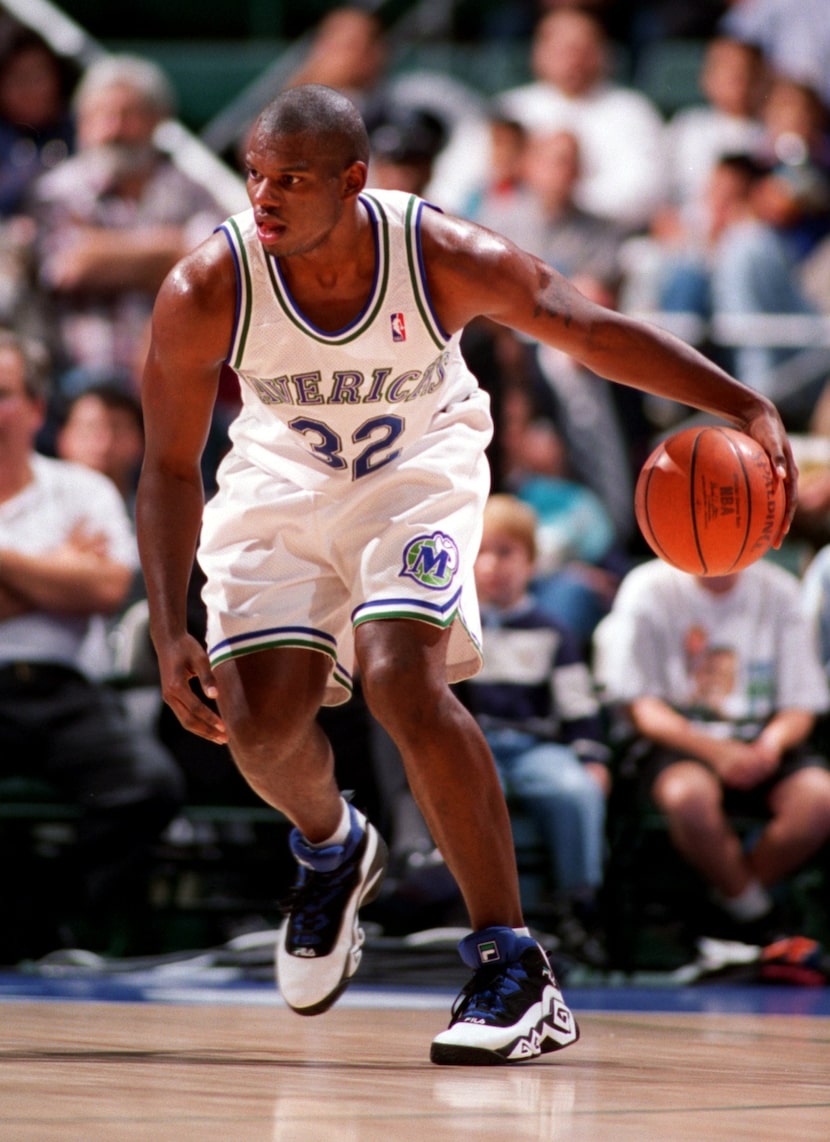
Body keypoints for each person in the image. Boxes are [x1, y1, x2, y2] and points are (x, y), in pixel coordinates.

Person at [135, 84, 795, 1067]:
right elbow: (165, 465)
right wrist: (166, 625)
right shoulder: (206, 285)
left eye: (294, 180)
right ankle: (331, 845)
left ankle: (513, 965)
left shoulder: (436, 251)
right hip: (279, 478)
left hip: (417, 467)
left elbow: (582, 325)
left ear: (353, 182)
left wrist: (740, 403)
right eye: (257, 176)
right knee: (258, 726)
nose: (265, 197)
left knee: (402, 676)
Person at [0, 329, 184, 957]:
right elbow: (82, 583)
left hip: (64, 689)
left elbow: (106, 586)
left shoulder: (82, 490)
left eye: (3, 394)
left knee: (148, 785)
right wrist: (56, 570)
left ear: (35, 408)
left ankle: (47, 923)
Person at [594, 557, 830, 944]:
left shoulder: (780, 589)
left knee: (819, 799)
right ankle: (758, 919)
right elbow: (643, 709)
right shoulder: (647, 587)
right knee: (688, 797)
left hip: (762, 738)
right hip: (681, 741)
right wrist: (717, 752)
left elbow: (801, 705)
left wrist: (769, 746)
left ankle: (721, 911)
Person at [461, 494, 611, 964]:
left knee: (575, 790)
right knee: (464, 795)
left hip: (534, 746)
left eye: (506, 552)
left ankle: (578, 904)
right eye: (482, 553)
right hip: (474, 746)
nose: (492, 566)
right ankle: (473, 909)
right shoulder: (456, 629)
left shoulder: (552, 630)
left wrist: (591, 757)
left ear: (530, 562)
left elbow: (577, 703)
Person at [27, 53, 227, 393]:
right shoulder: (56, 191)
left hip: (175, 383)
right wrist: (174, 251)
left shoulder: (190, 191)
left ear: (158, 121)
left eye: (129, 115)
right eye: (102, 115)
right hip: (77, 383)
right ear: (82, 122)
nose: (114, 129)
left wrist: (102, 253)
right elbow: (70, 266)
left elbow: (214, 266)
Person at [494, 8, 666, 231]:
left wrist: (566, 199)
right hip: (515, 234)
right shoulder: (509, 109)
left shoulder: (633, 110)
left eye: (583, 49)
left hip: (603, 237)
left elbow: (644, 191)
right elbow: (471, 184)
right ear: (539, 53)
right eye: (562, 49)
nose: (573, 59)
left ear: (603, 53)